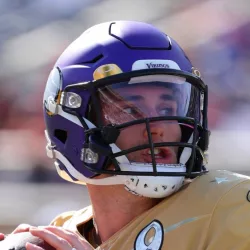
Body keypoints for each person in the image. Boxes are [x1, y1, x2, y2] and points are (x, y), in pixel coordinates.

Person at [1, 20, 250, 250]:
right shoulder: (59, 233)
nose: (159, 125)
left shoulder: (231, 205)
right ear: (74, 122)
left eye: (167, 108)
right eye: (131, 109)